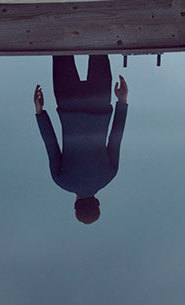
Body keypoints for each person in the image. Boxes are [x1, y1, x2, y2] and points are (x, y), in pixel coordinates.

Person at [32, 56, 129, 224]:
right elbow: (51, 144)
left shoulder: (109, 175)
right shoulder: (62, 180)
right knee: (62, 45)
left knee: (98, 42)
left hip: (99, 103)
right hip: (68, 104)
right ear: (75, 205)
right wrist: (40, 112)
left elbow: (116, 137)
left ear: (97, 203)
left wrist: (122, 101)